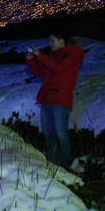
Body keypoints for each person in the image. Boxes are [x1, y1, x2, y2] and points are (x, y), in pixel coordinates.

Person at [26, 34, 85, 169]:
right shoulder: (53, 57)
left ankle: (65, 163)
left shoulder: (72, 54)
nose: (50, 43)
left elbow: (58, 68)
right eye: (49, 40)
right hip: (47, 99)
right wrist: (31, 60)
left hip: (60, 100)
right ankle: (52, 162)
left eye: (53, 40)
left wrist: (40, 55)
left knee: (61, 133)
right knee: (49, 133)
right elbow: (40, 72)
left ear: (62, 41)